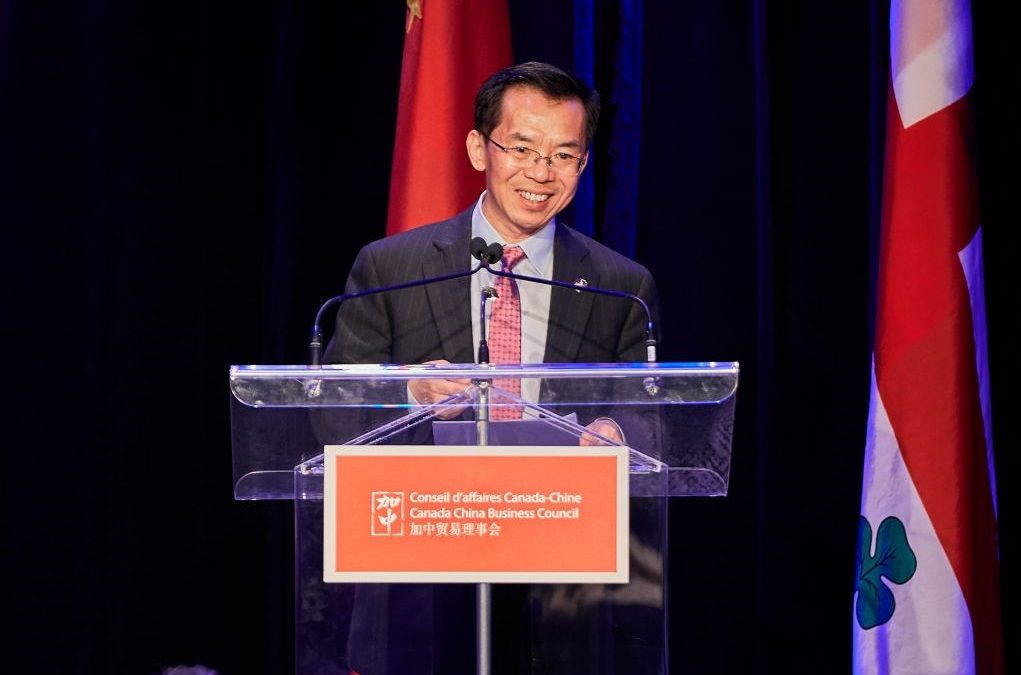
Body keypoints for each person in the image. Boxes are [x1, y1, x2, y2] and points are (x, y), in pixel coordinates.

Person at [323, 61, 662, 675]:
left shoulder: (621, 285)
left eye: (565, 155)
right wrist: (406, 393)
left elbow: (651, 416)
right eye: (523, 148)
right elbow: (330, 412)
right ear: (479, 148)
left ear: (583, 165)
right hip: (421, 576)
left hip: (564, 583)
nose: (541, 173)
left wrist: (622, 434)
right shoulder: (391, 267)